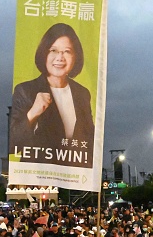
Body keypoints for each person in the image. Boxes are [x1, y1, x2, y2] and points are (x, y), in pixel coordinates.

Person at [9, 23, 95, 167]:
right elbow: (13, 144)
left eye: (67, 51)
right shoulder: (26, 90)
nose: (60, 58)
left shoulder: (82, 93)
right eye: (53, 50)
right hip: (38, 177)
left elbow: (89, 139)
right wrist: (33, 114)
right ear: (44, 54)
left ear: (76, 56)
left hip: (71, 178)